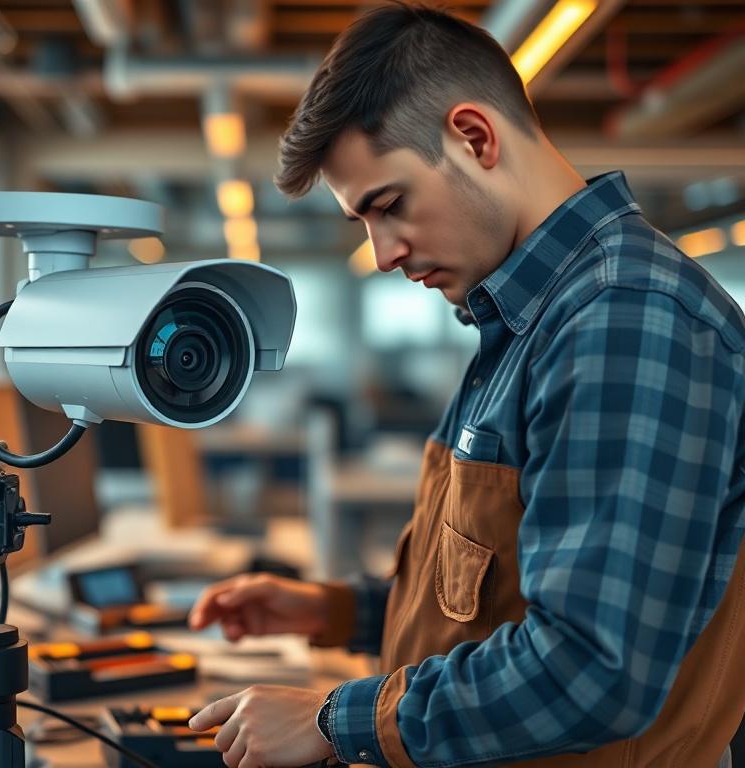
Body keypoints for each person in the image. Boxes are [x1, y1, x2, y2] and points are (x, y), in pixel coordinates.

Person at [186, 4, 745, 768]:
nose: (382, 253)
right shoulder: (525, 322)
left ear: (474, 138)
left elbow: (591, 670)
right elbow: (487, 601)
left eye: (388, 205)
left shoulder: (627, 319)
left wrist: (331, 718)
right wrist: (337, 610)